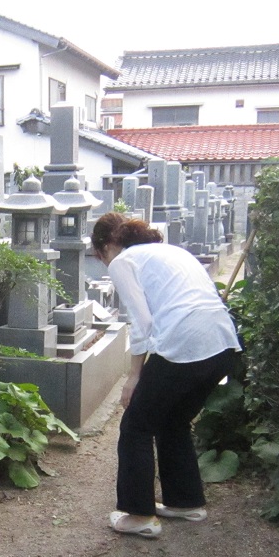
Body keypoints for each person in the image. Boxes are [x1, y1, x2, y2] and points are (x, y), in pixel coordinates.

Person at [91, 212, 241, 539]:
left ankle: (138, 514)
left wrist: (134, 377)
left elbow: (143, 325)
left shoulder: (123, 261)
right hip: (222, 345)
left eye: (99, 255)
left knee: (136, 424)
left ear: (105, 247)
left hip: (184, 344)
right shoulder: (174, 252)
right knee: (172, 421)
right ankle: (186, 502)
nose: (103, 261)